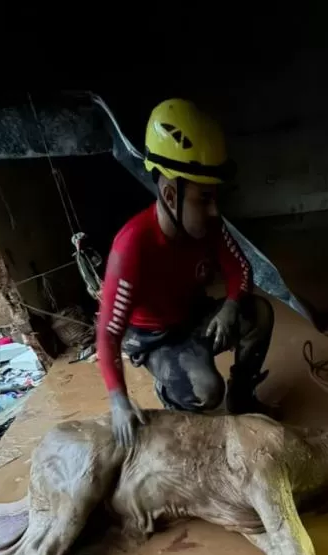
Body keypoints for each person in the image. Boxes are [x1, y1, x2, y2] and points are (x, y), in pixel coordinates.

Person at [96, 98, 274, 446]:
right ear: (169, 194)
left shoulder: (208, 226)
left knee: (260, 314)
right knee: (205, 390)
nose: (214, 209)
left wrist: (231, 306)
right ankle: (174, 395)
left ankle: (242, 399)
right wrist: (118, 399)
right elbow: (107, 332)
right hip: (156, 337)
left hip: (193, 316)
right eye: (204, 199)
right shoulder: (132, 246)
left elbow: (241, 269)